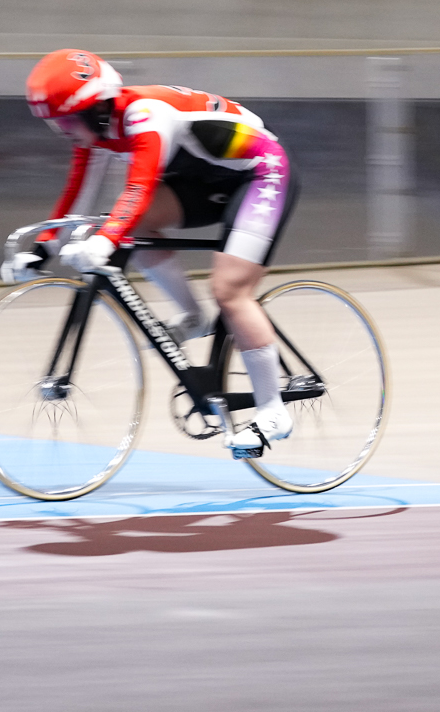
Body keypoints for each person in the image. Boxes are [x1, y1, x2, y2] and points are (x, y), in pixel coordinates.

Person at [16, 50, 296, 459]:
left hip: (261, 171)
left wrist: (103, 242)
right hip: (209, 178)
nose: (62, 131)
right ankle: (194, 317)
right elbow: (78, 190)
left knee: (230, 290)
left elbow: (138, 186)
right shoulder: (97, 130)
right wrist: (43, 248)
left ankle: (273, 411)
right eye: (54, 124)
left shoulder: (146, 114)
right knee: (136, 224)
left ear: (96, 109)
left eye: (66, 120)